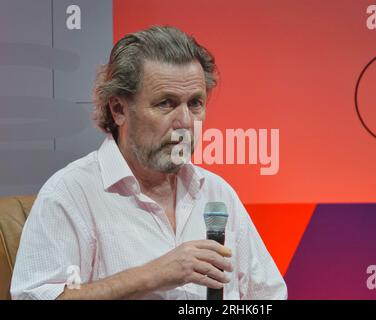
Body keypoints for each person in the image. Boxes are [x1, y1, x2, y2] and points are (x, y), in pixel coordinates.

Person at [10, 26, 287, 300]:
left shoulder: (216, 193)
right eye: (166, 103)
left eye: (195, 104)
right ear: (118, 109)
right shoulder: (70, 194)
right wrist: (152, 276)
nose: (185, 122)